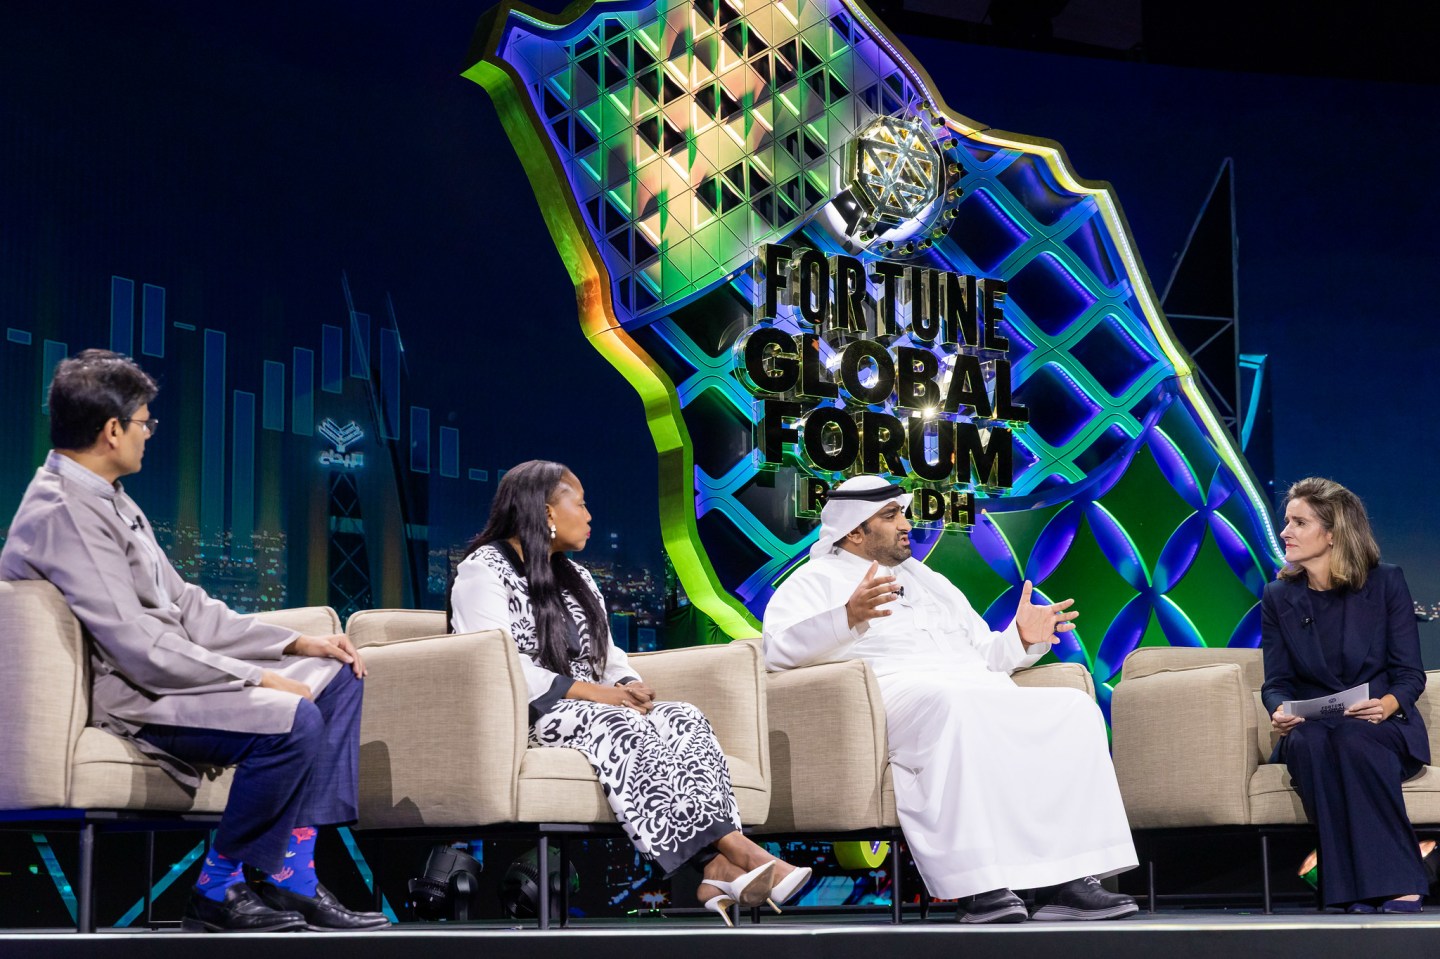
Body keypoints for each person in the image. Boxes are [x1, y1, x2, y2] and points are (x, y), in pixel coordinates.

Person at [0, 350, 388, 933]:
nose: (148, 435)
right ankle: (216, 889)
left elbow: (187, 606)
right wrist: (258, 678)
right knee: (295, 719)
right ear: (111, 431)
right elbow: (139, 647)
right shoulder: (64, 512)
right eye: (144, 423)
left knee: (339, 680)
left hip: (176, 678)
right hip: (143, 694)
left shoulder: (109, 498)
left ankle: (293, 878)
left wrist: (297, 646)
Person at [447, 460, 811, 925]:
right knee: (615, 721)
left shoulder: (578, 578)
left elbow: (609, 655)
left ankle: (716, 868)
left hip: (592, 706)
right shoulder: (484, 570)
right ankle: (740, 852)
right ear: (546, 513)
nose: (590, 515)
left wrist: (626, 685)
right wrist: (597, 696)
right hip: (534, 715)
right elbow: (493, 661)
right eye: (579, 504)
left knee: (683, 716)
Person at [762, 475, 1138, 923]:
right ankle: (979, 885)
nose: (905, 524)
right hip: (888, 695)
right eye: (890, 515)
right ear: (855, 531)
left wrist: (1021, 639)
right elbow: (777, 652)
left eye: (902, 513)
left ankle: (1069, 879)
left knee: (1072, 709)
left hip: (970, 685)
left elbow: (985, 654)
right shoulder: (812, 582)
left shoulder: (930, 580)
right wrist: (846, 618)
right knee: (955, 704)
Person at [1262, 477, 1429, 913]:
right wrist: (1279, 710)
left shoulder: (1386, 583)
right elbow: (1275, 681)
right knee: (1315, 742)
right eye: (1287, 522)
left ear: (1333, 532)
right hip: (1314, 728)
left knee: (1352, 739)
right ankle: (1361, 888)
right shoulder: (1279, 597)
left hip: (1380, 725)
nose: (1285, 532)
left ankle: (1385, 884)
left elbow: (1409, 673)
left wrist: (1387, 704)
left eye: (1299, 522)